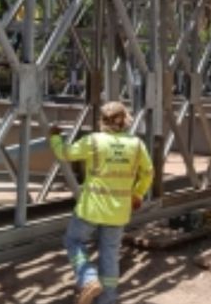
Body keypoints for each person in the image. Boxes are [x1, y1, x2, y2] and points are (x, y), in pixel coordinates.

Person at [49, 101, 153, 304]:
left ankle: (88, 278)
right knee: (110, 254)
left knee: (74, 241)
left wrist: (55, 138)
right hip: (118, 211)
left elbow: (65, 154)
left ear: (102, 120)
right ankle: (107, 299)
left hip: (92, 208)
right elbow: (148, 173)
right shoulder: (137, 145)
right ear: (126, 120)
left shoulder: (94, 141)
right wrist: (138, 194)